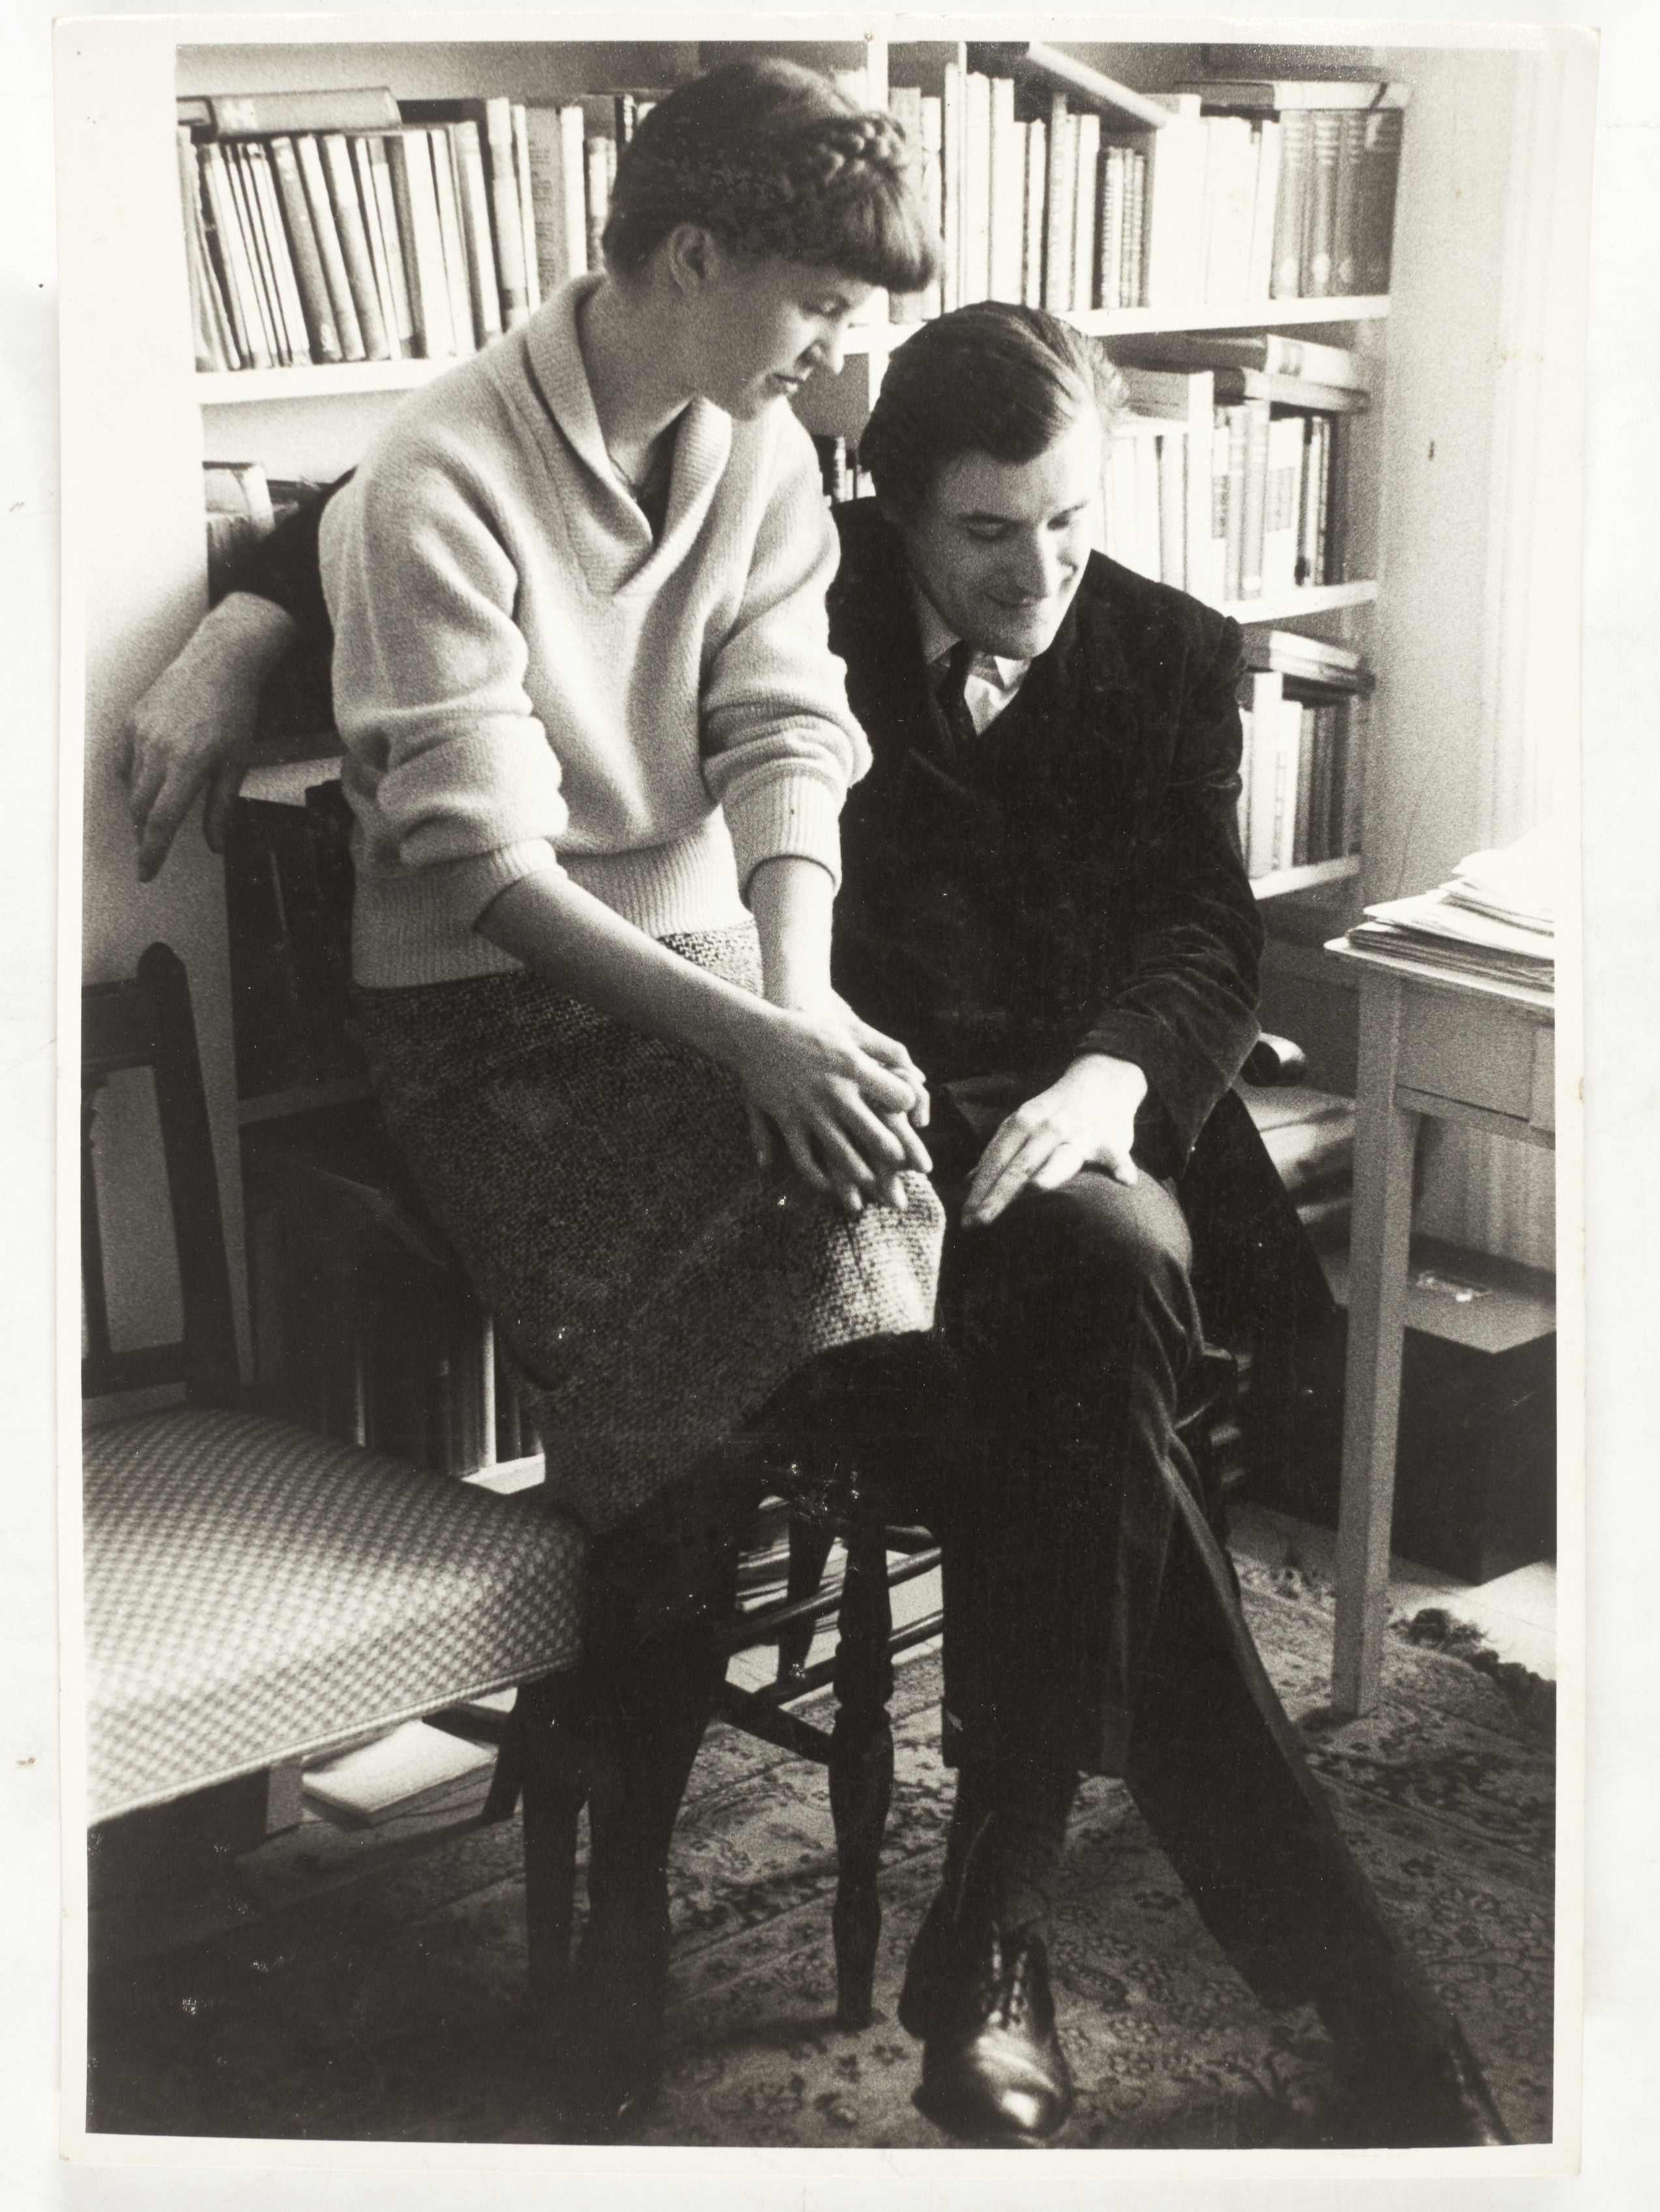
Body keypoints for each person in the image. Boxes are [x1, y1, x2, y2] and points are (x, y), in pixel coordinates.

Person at [124, 282, 1511, 2152]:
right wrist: (244, 619)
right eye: (990, 532)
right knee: (1084, 1417)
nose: (1041, 573)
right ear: (894, 501)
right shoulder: (799, 565)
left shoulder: (1176, 656)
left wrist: (1108, 1082)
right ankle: (1194, 1975)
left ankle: (997, 1909)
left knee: (1112, 1256)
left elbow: (1200, 930)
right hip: (829, 1132)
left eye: (1078, 520)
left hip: (1060, 1137)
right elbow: (423, 481)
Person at [130, 57, 947, 2130]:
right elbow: (479, 869)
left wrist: (797, 997)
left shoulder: (749, 448)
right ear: (690, 256)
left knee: (853, 1141)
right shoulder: (437, 479)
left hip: (693, 977)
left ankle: (616, 1713)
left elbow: (790, 734)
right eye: (816, 307)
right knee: (826, 1212)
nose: (837, 358)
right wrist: (756, 1052)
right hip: (492, 1016)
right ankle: (630, 1720)